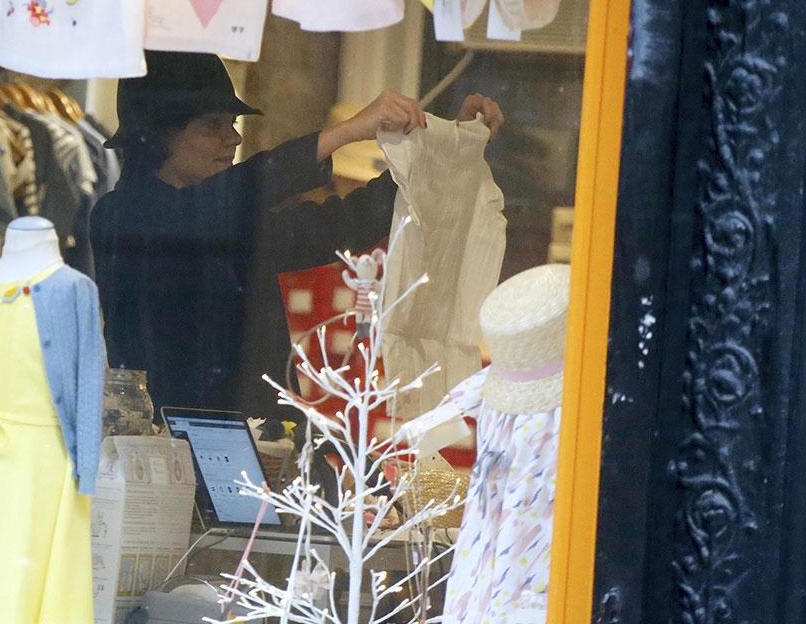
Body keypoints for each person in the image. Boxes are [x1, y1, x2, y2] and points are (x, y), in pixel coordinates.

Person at [90, 51, 504, 418]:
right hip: (157, 450)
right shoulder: (122, 216)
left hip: (247, 447)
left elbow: (345, 222)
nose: (232, 138)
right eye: (211, 125)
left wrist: (451, 148)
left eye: (230, 123)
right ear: (158, 135)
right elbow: (229, 197)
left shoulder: (225, 220)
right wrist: (345, 132)